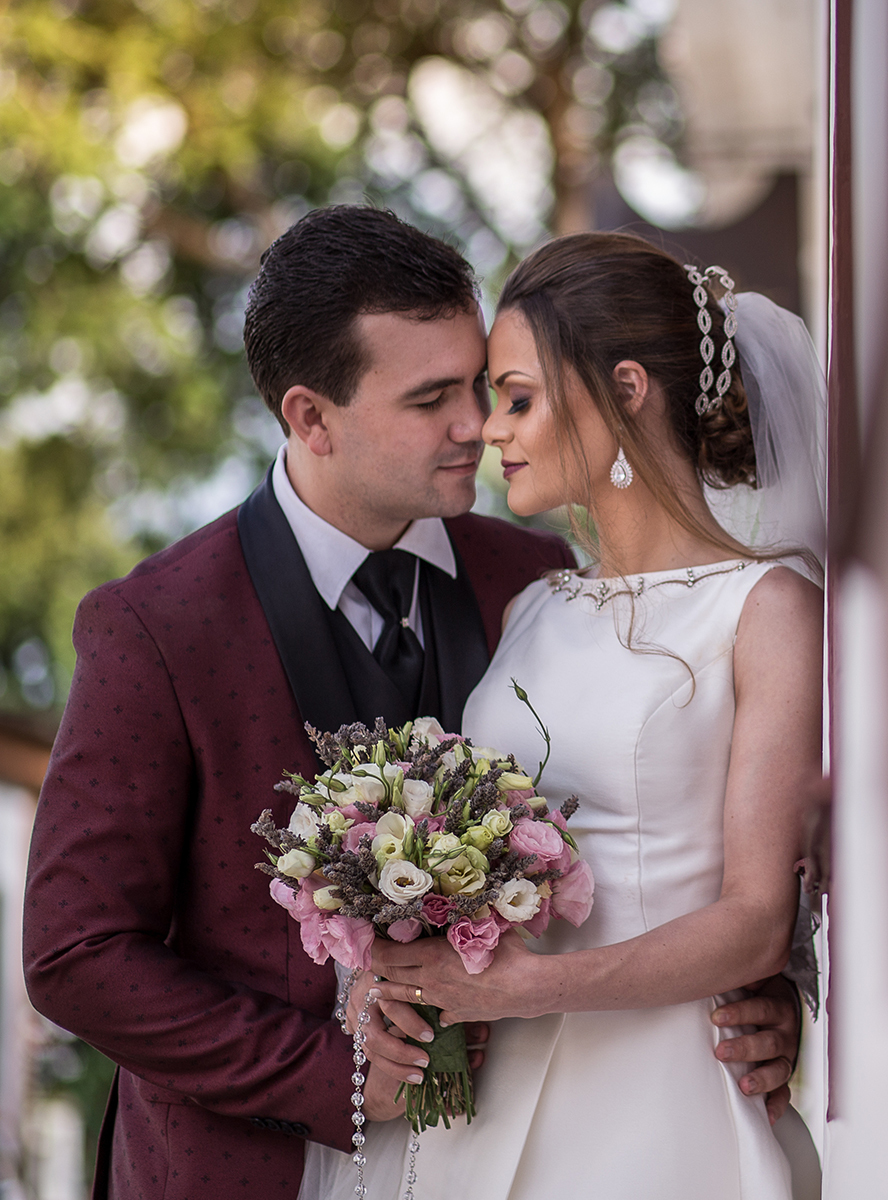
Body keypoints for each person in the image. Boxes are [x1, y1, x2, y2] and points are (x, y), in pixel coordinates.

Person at [22, 210, 802, 1200]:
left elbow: (662, 816)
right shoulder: (155, 626)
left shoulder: (536, 574)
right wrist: (334, 1079)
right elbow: (76, 953)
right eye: (433, 398)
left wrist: (749, 995)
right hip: (240, 1166)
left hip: (543, 1137)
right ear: (311, 418)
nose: (477, 424)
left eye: (481, 384)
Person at [358, 232, 825, 1200]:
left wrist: (530, 986)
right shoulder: (535, 608)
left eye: (518, 397)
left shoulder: (764, 609)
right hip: (492, 1098)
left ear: (624, 389)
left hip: (660, 1107)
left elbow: (752, 921)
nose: (491, 429)